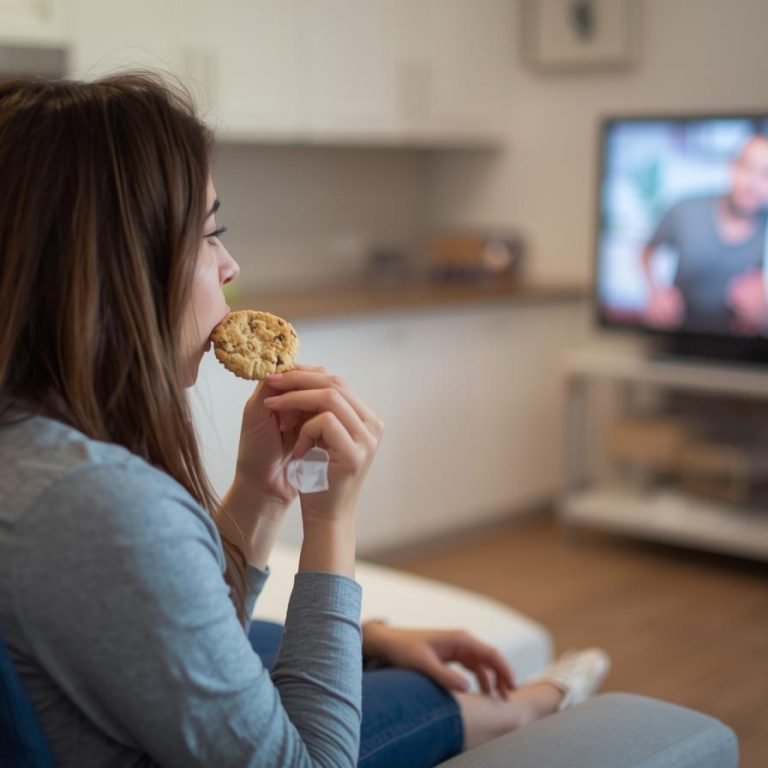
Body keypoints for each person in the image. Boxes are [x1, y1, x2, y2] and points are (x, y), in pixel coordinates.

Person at [0, 73, 609, 768]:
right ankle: (532, 706)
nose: (231, 265)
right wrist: (331, 520)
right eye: (209, 235)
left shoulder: (33, 455)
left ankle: (429, 670)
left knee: (363, 659)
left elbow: (161, 618)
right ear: (115, 268)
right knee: (415, 693)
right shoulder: (98, 508)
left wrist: (262, 490)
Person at [641, 134, 768, 335]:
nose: (754, 183)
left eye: (766, 174)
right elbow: (646, 251)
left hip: (747, 352)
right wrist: (655, 292)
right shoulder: (685, 209)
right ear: (732, 167)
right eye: (748, 167)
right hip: (676, 338)